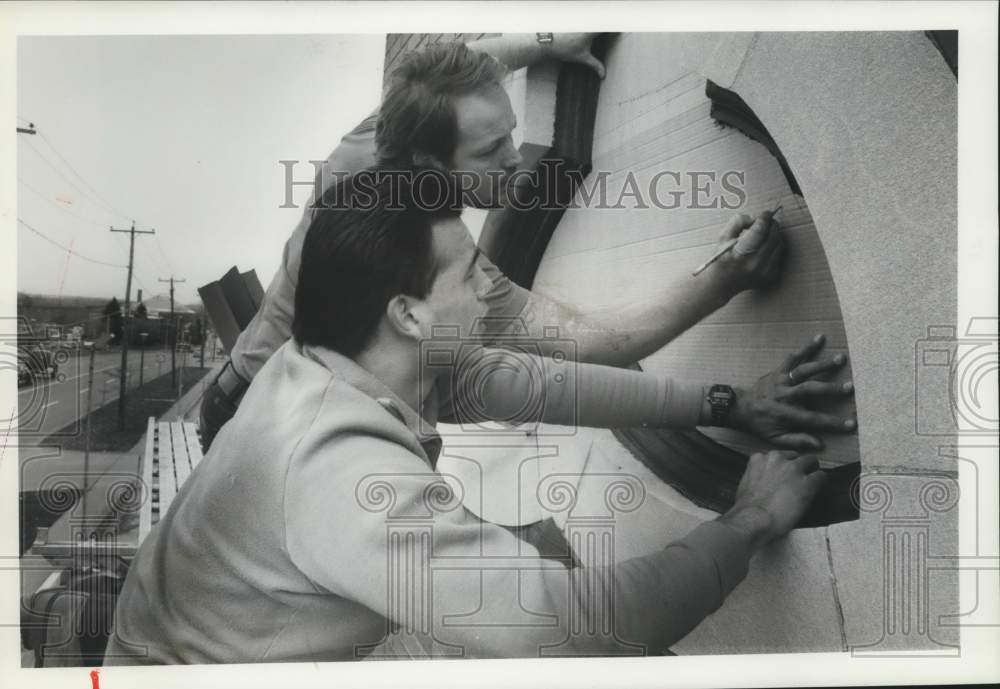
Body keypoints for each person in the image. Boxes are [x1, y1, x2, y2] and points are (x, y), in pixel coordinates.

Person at [107, 173, 850, 663]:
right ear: (407, 313)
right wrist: (749, 518)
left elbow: (554, 386)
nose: (496, 287)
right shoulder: (340, 473)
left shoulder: (357, 359)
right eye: (473, 272)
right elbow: (568, 628)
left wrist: (728, 403)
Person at [200, 35, 794, 450]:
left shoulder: (388, 141)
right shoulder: (418, 291)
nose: (516, 161)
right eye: (489, 152)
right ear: (429, 161)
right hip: (253, 415)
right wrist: (724, 281)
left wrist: (544, 42)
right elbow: (583, 355)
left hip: (257, 387)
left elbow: (453, 72)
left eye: (509, 133)